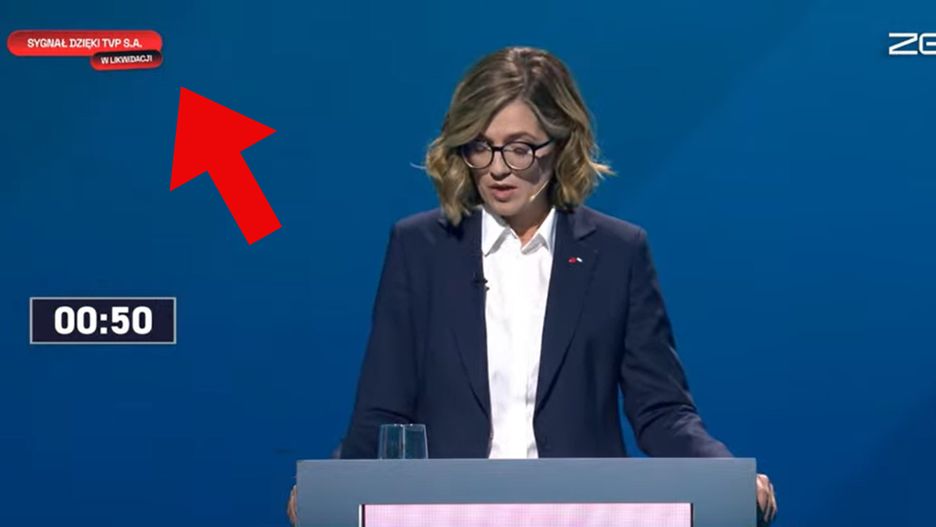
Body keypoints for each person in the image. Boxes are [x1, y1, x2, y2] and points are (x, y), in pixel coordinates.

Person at [288, 46, 777, 525]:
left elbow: (661, 411)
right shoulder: (420, 249)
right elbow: (381, 412)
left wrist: (726, 475)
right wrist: (326, 492)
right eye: (481, 146)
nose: (498, 168)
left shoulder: (617, 253)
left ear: (561, 144)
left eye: (520, 148)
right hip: (450, 514)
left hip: (580, 514)